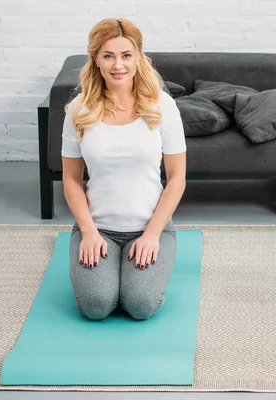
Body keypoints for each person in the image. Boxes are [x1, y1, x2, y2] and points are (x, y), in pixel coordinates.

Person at [61, 18, 187, 321]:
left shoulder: (163, 106)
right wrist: (89, 232)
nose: (118, 65)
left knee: (141, 305)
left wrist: (153, 233)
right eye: (108, 56)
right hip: (97, 228)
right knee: (95, 306)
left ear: (139, 58)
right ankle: (107, 273)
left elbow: (177, 178)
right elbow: (71, 178)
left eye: (126, 55)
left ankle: (131, 275)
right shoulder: (79, 109)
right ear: (96, 60)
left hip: (149, 227)